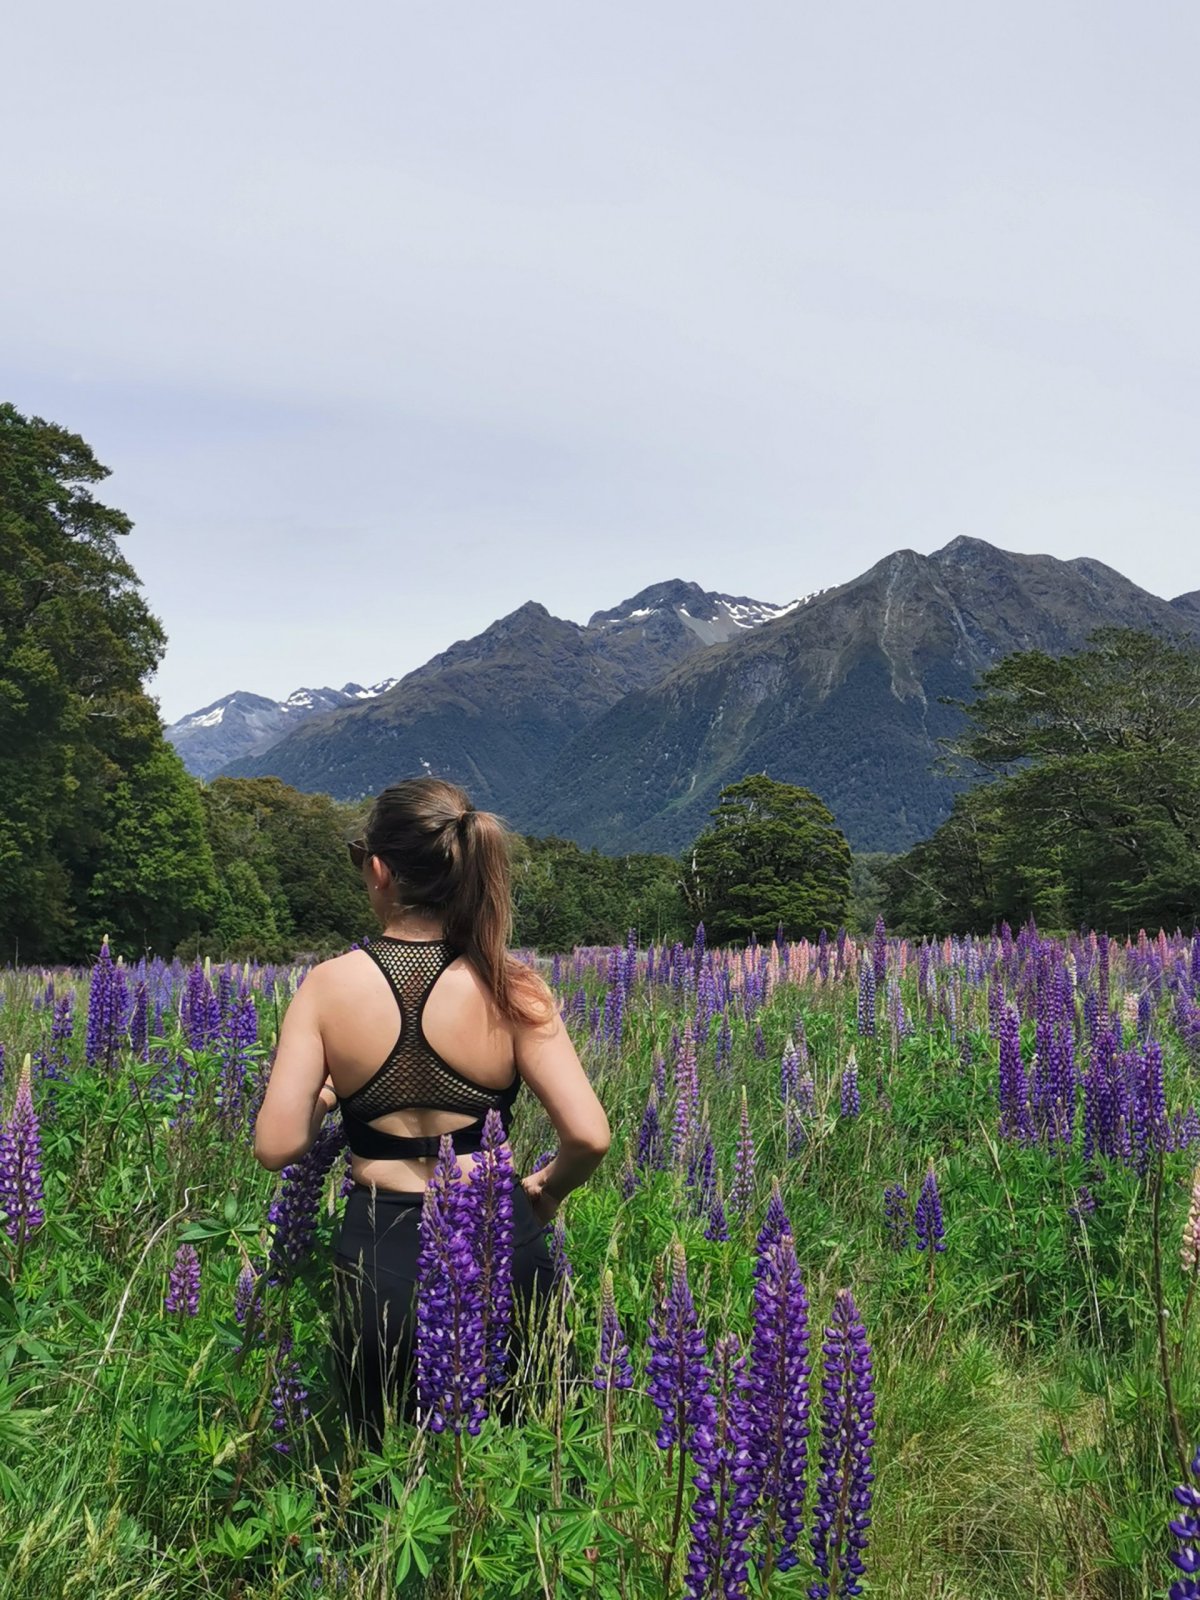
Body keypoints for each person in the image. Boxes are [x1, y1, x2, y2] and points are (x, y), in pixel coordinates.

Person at [253, 776, 610, 1445]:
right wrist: (546, 1192)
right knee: (514, 1462)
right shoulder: (510, 983)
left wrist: (329, 1095)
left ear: (379, 870)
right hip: (497, 1235)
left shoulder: (327, 986)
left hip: (381, 1246)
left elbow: (276, 1145)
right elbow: (589, 1136)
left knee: (386, 1467)